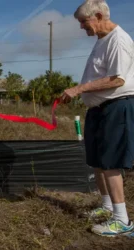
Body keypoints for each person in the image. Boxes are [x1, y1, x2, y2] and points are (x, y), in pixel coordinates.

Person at [61, 0, 134, 236]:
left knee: (110, 162)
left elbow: (117, 79)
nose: (82, 27)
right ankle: (106, 207)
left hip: (116, 106)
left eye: (84, 22)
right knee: (98, 161)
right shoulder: (101, 41)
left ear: (99, 16)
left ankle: (122, 220)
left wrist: (79, 89)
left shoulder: (119, 40)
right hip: (98, 109)